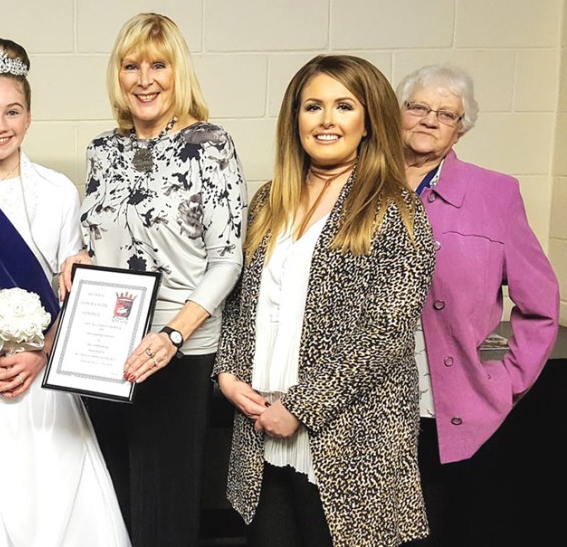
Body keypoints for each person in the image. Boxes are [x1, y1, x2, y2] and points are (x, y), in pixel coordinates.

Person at [213, 54, 435, 547]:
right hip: (260, 426)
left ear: (369, 121)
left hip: (349, 436)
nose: (327, 120)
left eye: (344, 106)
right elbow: (241, 303)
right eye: (313, 106)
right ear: (295, 119)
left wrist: (300, 407)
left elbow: (386, 332)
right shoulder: (269, 200)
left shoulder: (395, 207)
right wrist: (228, 375)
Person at [58, 13, 247, 547]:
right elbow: (105, 236)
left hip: (176, 347)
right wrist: (78, 258)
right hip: (107, 346)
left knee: (164, 511)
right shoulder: (102, 150)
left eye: (158, 65)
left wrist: (172, 335)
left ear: (177, 71)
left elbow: (227, 259)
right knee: (111, 502)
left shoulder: (209, 144)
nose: (144, 80)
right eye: (131, 66)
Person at [0, 37, 130, 547]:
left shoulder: (59, 191)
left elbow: (73, 292)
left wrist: (43, 354)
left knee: (56, 509)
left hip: (43, 377)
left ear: (28, 116)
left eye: (12, 111)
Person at [395, 64, 560, 547]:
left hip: (447, 406)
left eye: (446, 114)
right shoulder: (357, 185)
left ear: (460, 129)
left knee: (432, 530)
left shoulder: (495, 193)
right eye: (418, 106)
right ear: (397, 113)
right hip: (363, 402)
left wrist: (506, 381)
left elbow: (540, 305)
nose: (429, 119)